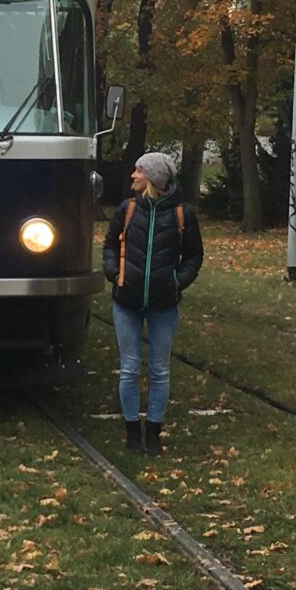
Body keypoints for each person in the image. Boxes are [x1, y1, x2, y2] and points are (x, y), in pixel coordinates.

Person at [102, 152, 203, 456]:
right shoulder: (127, 209)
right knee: (130, 368)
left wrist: (176, 281)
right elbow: (109, 245)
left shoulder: (183, 214)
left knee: (160, 370)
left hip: (164, 306)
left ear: (154, 178)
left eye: (139, 170)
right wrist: (114, 273)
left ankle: (154, 434)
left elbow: (194, 256)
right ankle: (133, 434)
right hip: (127, 303)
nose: (133, 175)